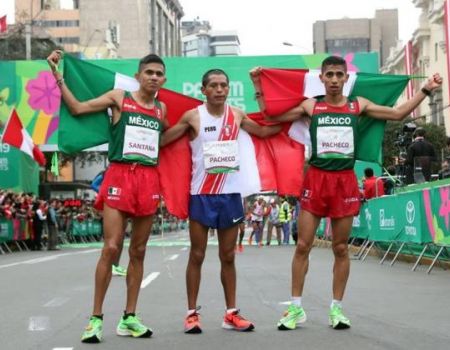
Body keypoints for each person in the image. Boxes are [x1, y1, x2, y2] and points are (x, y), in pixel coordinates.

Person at [250, 55, 442, 330]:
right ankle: (295, 308)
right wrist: (258, 82)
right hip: (316, 179)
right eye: (330, 75)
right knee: (303, 245)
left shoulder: (357, 105)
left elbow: (398, 114)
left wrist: (426, 89)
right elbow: (270, 116)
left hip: (344, 181)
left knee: (341, 247)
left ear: (345, 78)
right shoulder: (311, 106)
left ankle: (336, 310)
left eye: (340, 75)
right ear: (322, 78)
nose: (335, 80)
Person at [47, 50, 169, 343]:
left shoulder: (161, 109)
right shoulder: (119, 97)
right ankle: (95, 319)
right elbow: (77, 108)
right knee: (111, 247)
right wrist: (57, 74)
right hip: (119, 176)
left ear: (164, 79)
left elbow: (163, 140)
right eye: (149, 72)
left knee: (138, 251)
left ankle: (129, 317)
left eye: (159, 74)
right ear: (138, 75)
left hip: (148, 179)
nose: (153, 77)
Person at [161, 68, 281, 334]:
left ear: (228, 89)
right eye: (213, 85)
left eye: (223, 85)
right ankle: (191, 314)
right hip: (201, 194)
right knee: (198, 254)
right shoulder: (193, 116)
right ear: (203, 90)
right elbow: (163, 141)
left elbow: (262, 132)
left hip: (230, 195)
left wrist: (294, 118)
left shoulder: (236, 115)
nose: (219, 89)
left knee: (228, 256)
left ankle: (231, 314)